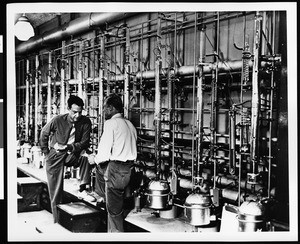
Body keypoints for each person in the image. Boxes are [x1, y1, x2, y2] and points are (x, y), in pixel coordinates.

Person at [40, 95, 95, 223]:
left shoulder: (85, 122)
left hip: (71, 153)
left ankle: (83, 189)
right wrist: (46, 152)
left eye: (80, 112)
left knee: (87, 156)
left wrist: (68, 146)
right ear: (68, 109)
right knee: (56, 191)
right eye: (74, 112)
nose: (77, 115)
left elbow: (85, 142)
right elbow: (44, 133)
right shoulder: (58, 120)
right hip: (55, 156)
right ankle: (57, 220)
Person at [88, 93, 137, 232]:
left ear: (111, 108)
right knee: (116, 203)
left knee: (114, 212)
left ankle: (115, 235)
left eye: (105, 108)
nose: (104, 111)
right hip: (129, 170)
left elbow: (103, 154)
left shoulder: (111, 124)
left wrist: (94, 159)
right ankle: (103, 197)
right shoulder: (130, 124)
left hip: (116, 170)